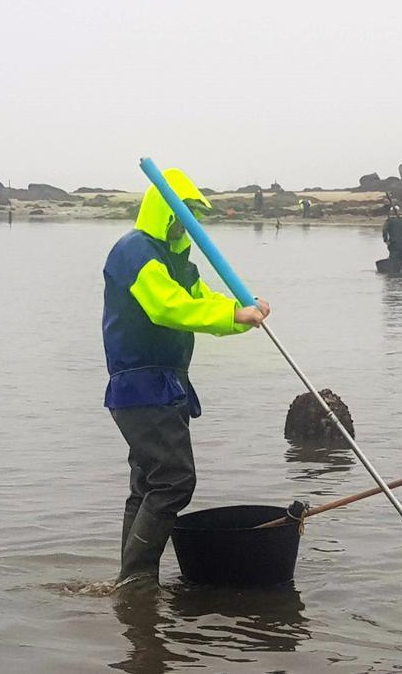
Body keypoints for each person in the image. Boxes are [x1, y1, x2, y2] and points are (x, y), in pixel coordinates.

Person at [102, 168, 270, 590]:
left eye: (193, 215)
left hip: (169, 384)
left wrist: (242, 312)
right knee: (174, 480)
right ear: (164, 211)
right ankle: (137, 582)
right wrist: (233, 314)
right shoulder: (134, 251)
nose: (187, 223)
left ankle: (130, 580)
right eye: (182, 213)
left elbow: (201, 303)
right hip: (140, 385)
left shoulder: (180, 261)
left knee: (148, 483)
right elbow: (166, 307)